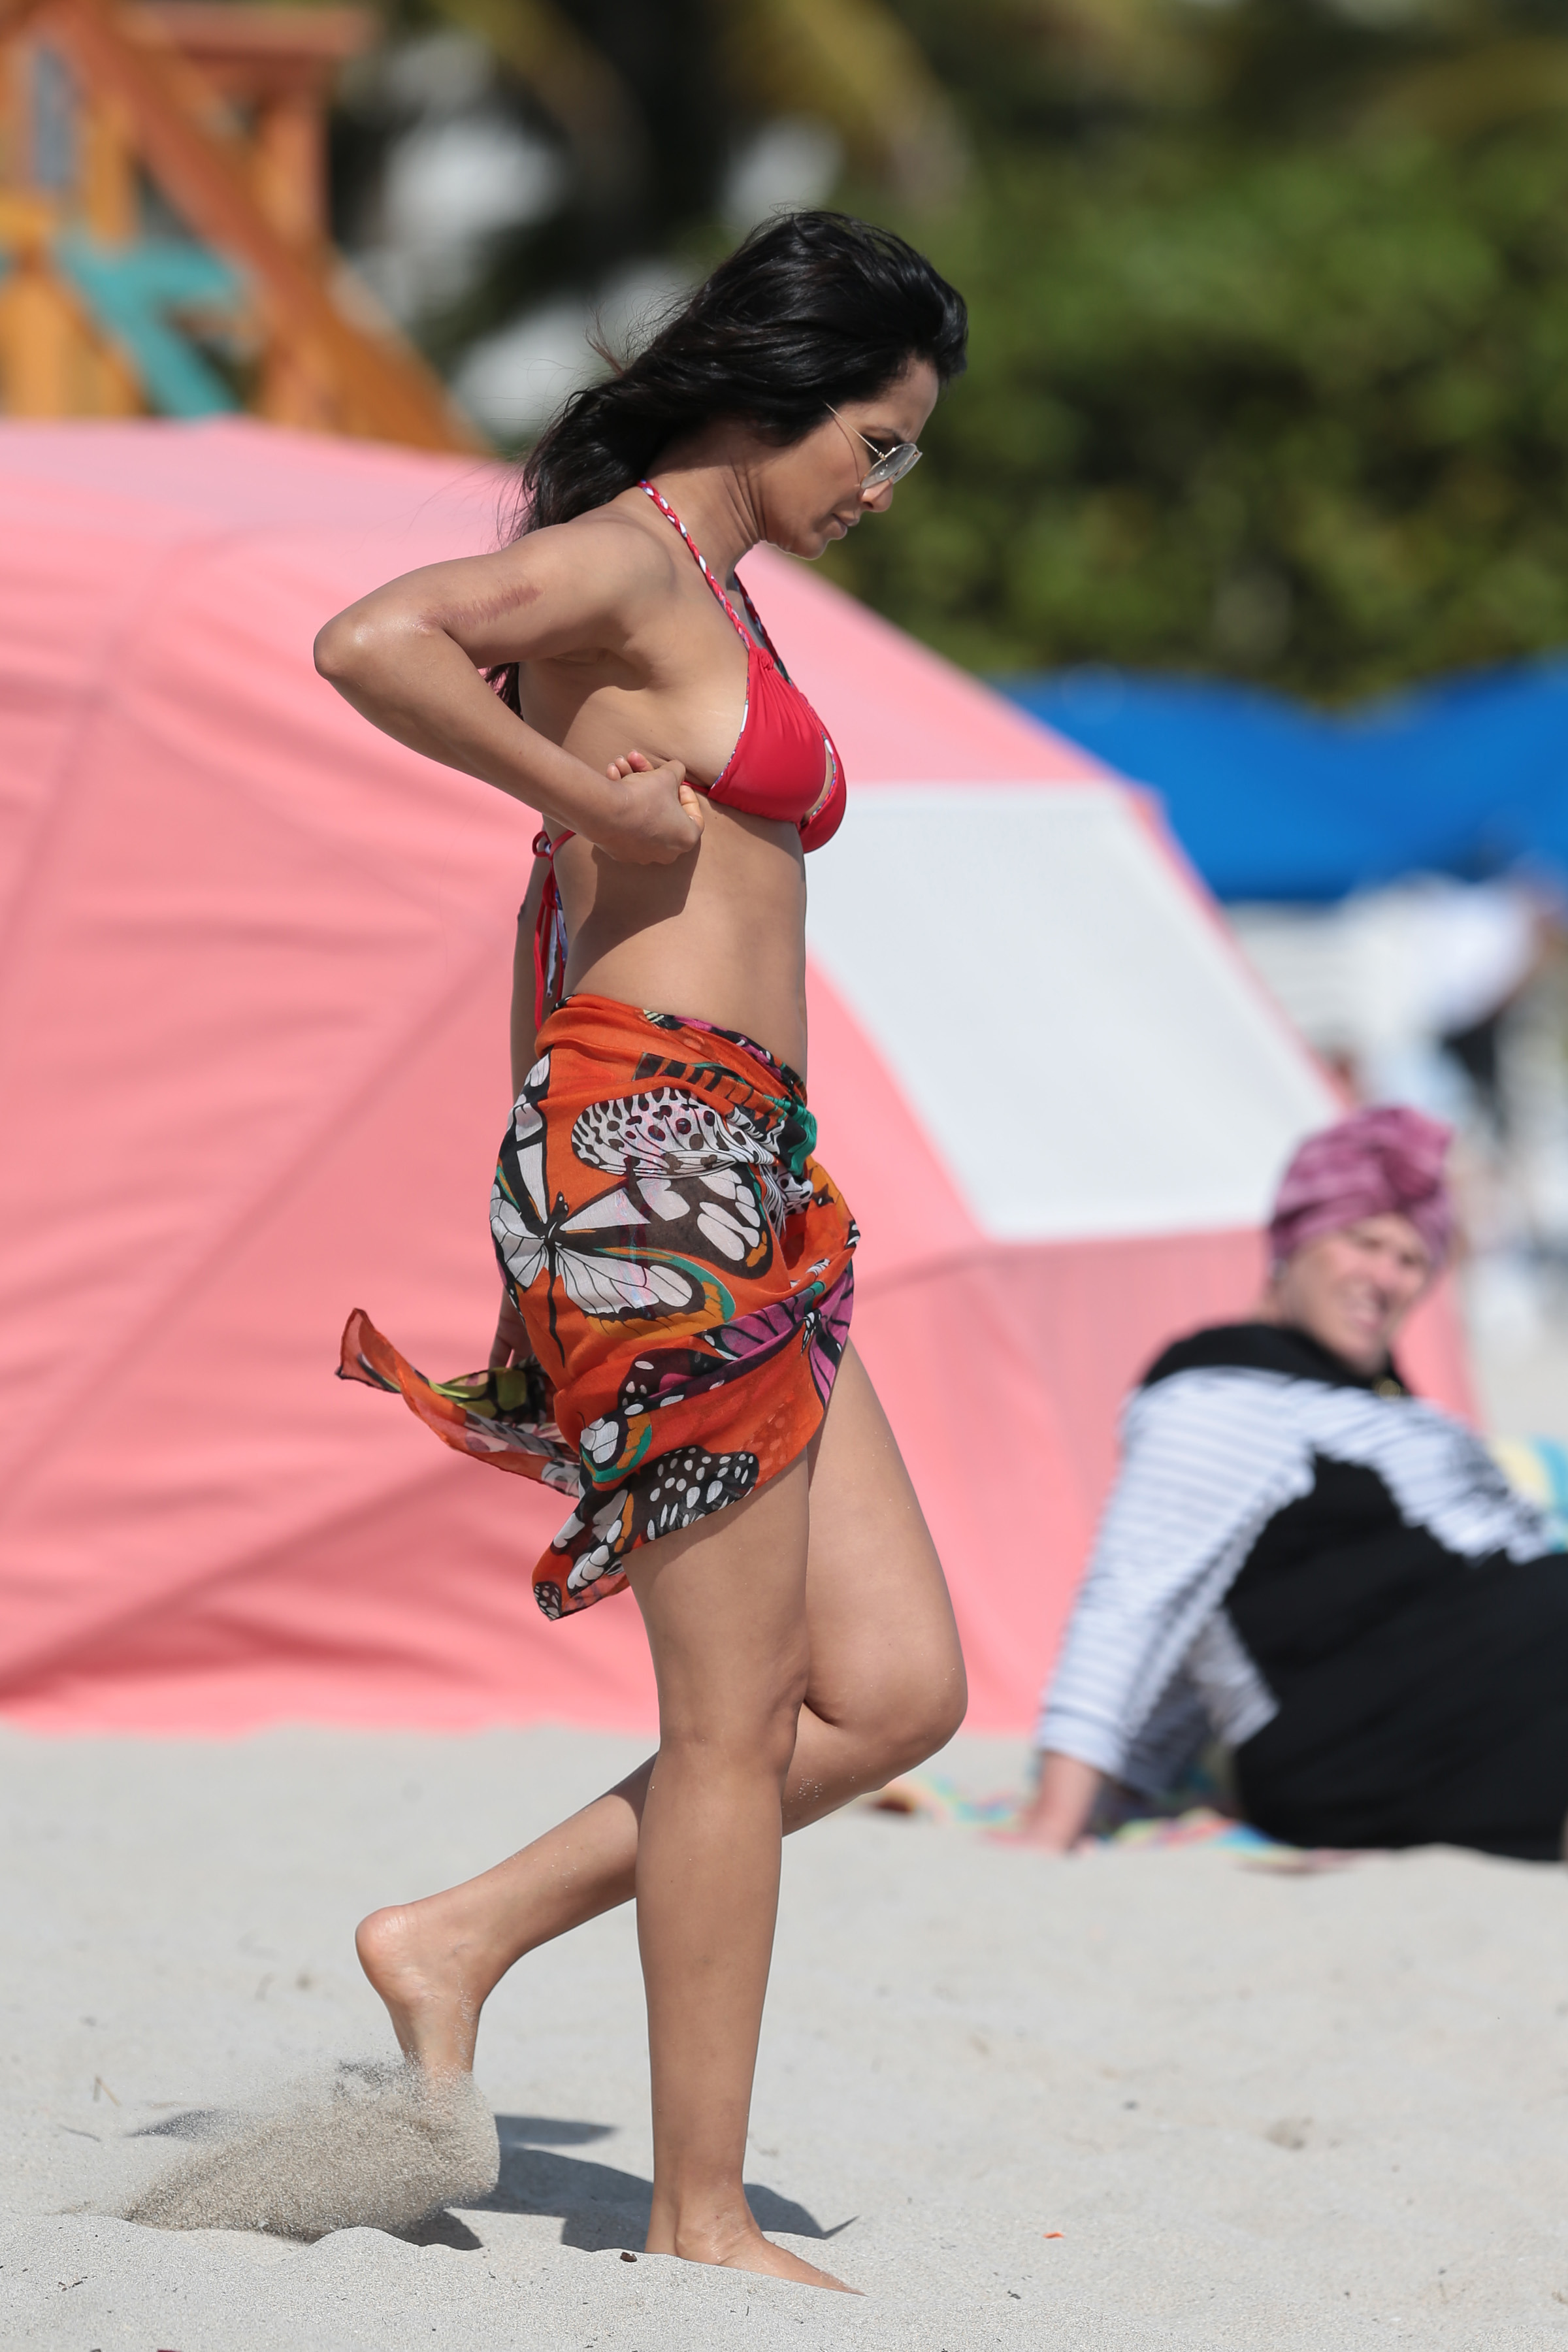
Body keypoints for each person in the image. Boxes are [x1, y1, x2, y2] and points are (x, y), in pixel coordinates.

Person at [312, 212, 969, 2293]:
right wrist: (583, 807)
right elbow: (372, 641)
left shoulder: (713, 585)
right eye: (875, 439)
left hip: (747, 1162)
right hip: (653, 1163)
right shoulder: (621, 559)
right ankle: (698, 2218)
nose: (884, 485)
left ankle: (457, 1935)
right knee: (731, 1717)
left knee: (895, 1690)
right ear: (775, 394)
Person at [1013, 1103, 1568, 1863]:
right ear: (1295, 1238)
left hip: (1489, 1682)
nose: (1386, 1277)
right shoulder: (1223, 1391)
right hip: (1375, 1727)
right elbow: (1137, 1598)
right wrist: (1059, 1816)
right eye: (1362, 1242)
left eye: (1411, 1260)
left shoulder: (1380, 1399)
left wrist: (1150, 1767)